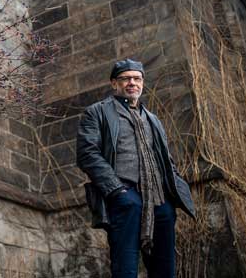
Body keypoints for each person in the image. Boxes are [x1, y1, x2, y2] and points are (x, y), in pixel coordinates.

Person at [76, 58, 196, 278]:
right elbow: (87, 154)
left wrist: (173, 193)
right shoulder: (97, 112)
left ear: (142, 82)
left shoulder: (153, 119)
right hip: (125, 198)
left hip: (160, 202)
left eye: (137, 78)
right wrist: (117, 191)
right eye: (125, 78)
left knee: (165, 270)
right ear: (114, 83)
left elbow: (166, 160)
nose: (132, 83)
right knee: (125, 268)